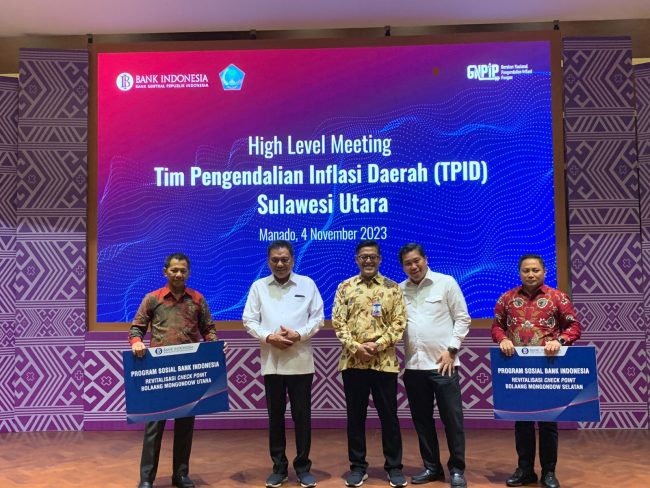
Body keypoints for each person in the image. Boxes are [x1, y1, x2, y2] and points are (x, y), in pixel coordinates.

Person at [129, 253, 219, 488]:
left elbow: (208, 329)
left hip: (188, 372)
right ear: (165, 272)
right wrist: (136, 343)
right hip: (159, 372)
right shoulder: (152, 299)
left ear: (188, 273)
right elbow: (136, 329)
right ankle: (146, 478)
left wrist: (214, 344)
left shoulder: (197, 299)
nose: (179, 274)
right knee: (153, 428)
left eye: (183, 271)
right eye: (174, 270)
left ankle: (180, 475)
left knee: (185, 427)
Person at [491, 254, 582, 488]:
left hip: (547, 368)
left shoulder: (558, 297)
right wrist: (502, 339)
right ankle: (525, 470)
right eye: (526, 270)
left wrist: (560, 341)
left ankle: (549, 472)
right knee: (522, 422)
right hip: (517, 368)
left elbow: (574, 327)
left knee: (548, 422)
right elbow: (497, 327)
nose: (530, 274)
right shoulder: (507, 298)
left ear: (544, 272)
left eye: (535, 270)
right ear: (519, 272)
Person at [243, 240, 324, 488]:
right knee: (275, 418)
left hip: (301, 362)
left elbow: (318, 318)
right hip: (272, 363)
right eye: (275, 260)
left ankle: (303, 468)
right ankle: (278, 468)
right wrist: (269, 337)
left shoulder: (307, 284)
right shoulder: (259, 287)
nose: (280, 264)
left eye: (285, 259)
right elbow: (249, 320)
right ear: (268, 261)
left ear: (293, 260)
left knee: (302, 418)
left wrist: (299, 334)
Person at [332, 239, 407, 488]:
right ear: (357, 260)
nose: (368, 261)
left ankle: (394, 467)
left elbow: (399, 322)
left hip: (384, 362)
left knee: (389, 417)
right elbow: (338, 322)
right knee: (355, 417)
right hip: (353, 362)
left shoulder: (392, 288)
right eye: (363, 257)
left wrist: (377, 345)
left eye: (373, 257)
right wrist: (356, 347)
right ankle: (357, 467)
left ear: (380, 259)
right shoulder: (345, 287)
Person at [398, 243, 470, 488]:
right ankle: (432, 467)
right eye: (408, 263)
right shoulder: (399, 290)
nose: (413, 266)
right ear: (403, 267)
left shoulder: (446, 282)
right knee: (422, 421)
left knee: (452, 421)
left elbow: (462, 318)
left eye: (416, 261)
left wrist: (452, 350)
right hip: (414, 367)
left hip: (443, 366)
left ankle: (457, 469)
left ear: (425, 259)